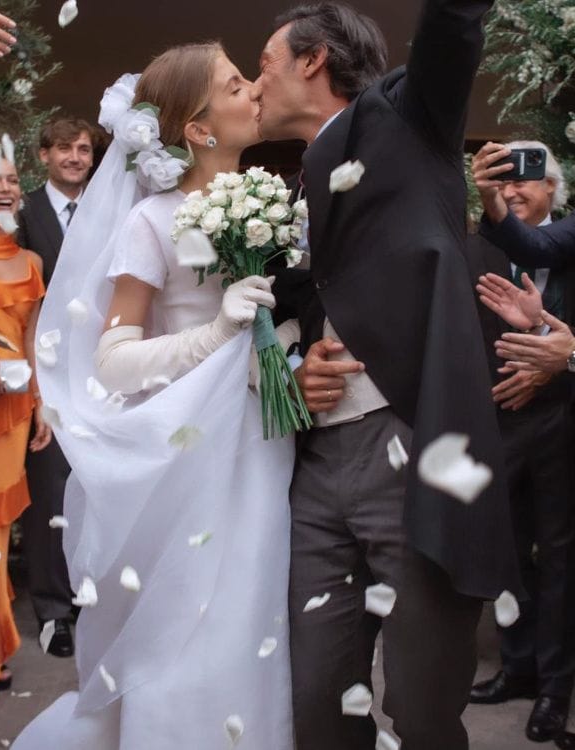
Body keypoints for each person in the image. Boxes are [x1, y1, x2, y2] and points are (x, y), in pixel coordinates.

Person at [251, 2, 521, 749]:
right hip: (317, 469)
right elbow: (302, 308)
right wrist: (295, 373)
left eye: (266, 62)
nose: (256, 80)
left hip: (412, 445)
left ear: (313, 60)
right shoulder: (296, 186)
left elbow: (452, 26)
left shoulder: (407, 116)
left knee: (422, 708)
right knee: (316, 704)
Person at [13, 44, 295, 749]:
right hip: (189, 450)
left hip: (264, 438)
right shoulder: (150, 222)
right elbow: (111, 362)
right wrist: (219, 332)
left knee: (259, 610)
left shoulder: (272, 200)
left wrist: (283, 338)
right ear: (198, 127)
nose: (255, 88)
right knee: (196, 620)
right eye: (237, 84)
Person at [466, 141, 575, 744]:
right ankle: (518, 666)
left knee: (559, 555)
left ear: (553, 186)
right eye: (499, 182)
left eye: (524, 179)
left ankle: (555, 687)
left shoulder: (570, 240)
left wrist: (551, 359)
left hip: (562, 420)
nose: (510, 191)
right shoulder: (479, 244)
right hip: (496, 418)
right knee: (505, 549)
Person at [0, 138, 51, 700]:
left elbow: (32, 339)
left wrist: (43, 400)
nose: (5, 187)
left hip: (15, 406)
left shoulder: (32, 262)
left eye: (11, 180)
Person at [18, 117, 96, 658]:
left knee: (96, 488)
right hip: (44, 373)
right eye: (64, 148)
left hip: (101, 372)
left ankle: (94, 599)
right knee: (49, 489)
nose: (75, 157)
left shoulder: (108, 205)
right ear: (43, 155)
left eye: (84, 148)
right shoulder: (20, 211)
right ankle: (52, 610)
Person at [473, 140, 575, 269]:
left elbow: (537, 246)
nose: (507, 194)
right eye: (501, 184)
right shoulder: (469, 249)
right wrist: (489, 196)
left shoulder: (568, 239)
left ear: (549, 184)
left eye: (519, 183)